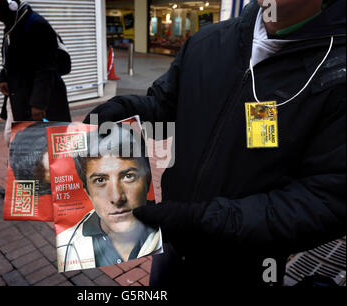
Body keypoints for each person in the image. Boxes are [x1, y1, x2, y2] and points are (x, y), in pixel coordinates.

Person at [84, 0, 346, 286]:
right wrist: (129, 108)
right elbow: (166, 103)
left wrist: (206, 221)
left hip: (248, 264)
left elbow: (329, 199)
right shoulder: (207, 41)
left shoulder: (337, 71)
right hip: (172, 243)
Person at [0, 0, 71, 197]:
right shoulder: (13, 23)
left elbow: (47, 67)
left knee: (45, 144)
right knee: (15, 140)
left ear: (11, 5)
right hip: (18, 96)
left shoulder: (36, 25)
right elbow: (10, 60)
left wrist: (38, 103)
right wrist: (3, 78)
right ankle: (25, 182)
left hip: (39, 99)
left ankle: (50, 185)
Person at [56, 124, 162, 272]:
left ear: (147, 180)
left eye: (128, 176)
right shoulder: (66, 245)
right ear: (87, 192)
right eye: (100, 180)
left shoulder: (169, 233)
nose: (117, 197)